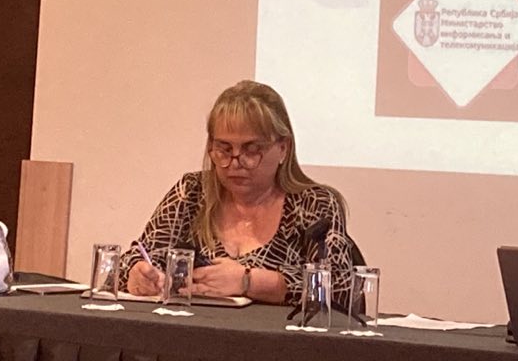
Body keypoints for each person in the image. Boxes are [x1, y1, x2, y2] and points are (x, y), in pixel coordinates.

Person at [123, 81, 351, 303]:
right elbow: (134, 258)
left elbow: (339, 286)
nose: (235, 162)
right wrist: (137, 273)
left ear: (284, 148)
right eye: (224, 149)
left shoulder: (314, 203)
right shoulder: (192, 192)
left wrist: (248, 282)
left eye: (251, 150)